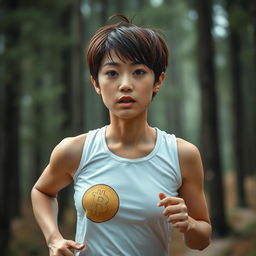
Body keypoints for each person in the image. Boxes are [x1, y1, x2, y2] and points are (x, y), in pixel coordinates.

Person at [31, 14, 212, 256]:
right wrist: (53, 238)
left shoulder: (181, 155)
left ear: (158, 81)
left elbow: (201, 240)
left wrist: (188, 224)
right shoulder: (76, 150)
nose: (125, 84)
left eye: (138, 72)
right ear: (96, 83)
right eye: (112, 73)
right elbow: (42, 191)